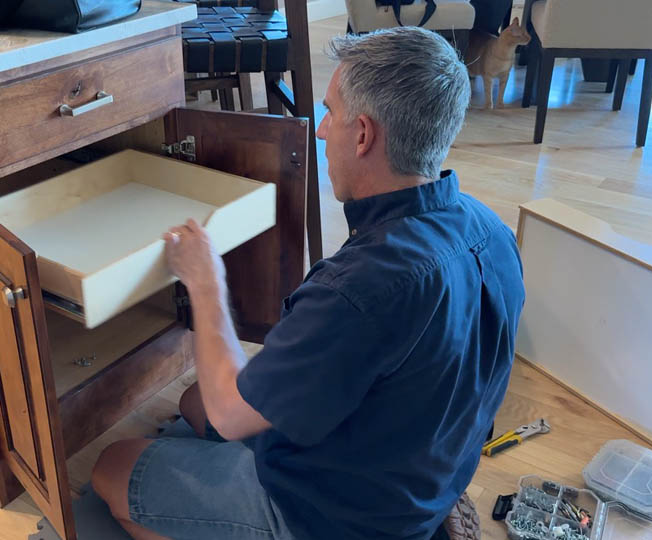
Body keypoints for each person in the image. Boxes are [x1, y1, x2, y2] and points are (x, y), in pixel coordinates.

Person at [91, 27, 525, 540]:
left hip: (335, 515)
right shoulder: (491, 230)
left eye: (330, 113)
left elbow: (231, 416)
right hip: (417, 472)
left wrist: (205, 282)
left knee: (113, 466)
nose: (320, 131)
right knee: (192, 404)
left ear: (363, 135)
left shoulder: (361, 288)